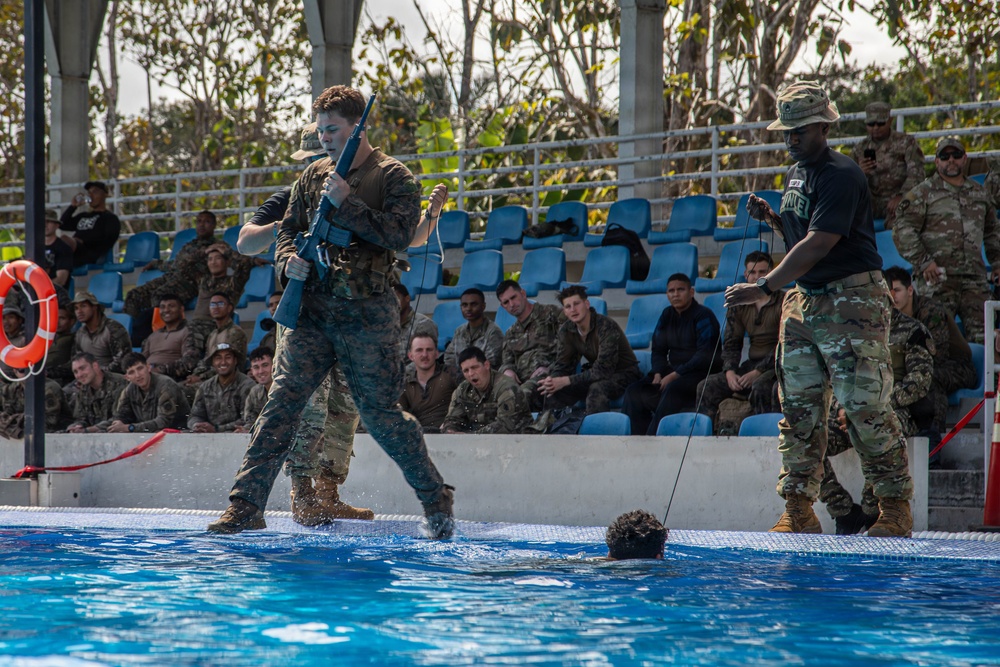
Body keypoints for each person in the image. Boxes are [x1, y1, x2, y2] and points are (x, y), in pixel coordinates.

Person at [209, 85, 454, 538]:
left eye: (333, 129)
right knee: (281, 406)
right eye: (320, 129)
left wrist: (349, 204)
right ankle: (245, 506)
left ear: (358, 127)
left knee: (379, 415)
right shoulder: (311, 176)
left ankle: (436, 499)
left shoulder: (394, 176)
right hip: (314, 311)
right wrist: (288, 262)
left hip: (367, 314)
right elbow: (289, 231)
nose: (324, 138)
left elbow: (400, 236)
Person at [724, 80, 913, 538]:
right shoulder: (796, 173)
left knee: (864, 405)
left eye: (800, 131)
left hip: (851, 301)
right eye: (786, 131)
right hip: (805, 300)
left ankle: (893, 508)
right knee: (800, 409)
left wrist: (765, 286)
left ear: (823, 127)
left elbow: (820, 242)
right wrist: (772, 218)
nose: (790, 138)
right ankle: (799, 509)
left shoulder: (842, 173)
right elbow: (802, 232)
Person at [819, 305, 937, 534]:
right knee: (810, 440)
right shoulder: (849, 333)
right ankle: (842, 509)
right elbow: (834, 380)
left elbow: (919, 381)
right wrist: (844, 409)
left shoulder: (912, 330)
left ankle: (872, 509)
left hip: (894, 410)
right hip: (850, 413)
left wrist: (873, 408)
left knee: (881, 434)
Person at [893, 136, 1000, 344]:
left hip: (974, 281)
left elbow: (992, 231)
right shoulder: (922, 193)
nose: (951, 160)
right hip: (937, 281)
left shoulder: (980, 193)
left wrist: (997, 263)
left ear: (964, 158)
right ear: (937, 161)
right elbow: (902, 229)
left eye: (956, 155)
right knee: (936, 340)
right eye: (944, 156)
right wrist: (924, 261)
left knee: (986, 339)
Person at [623, 274, 721, 435]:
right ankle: (635, 440)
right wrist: (658, 373)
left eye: (680, 290)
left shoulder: (704, 315)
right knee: (634, 391)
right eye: (671, 291)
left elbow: (705, 355)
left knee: (673, 388)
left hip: (701, 373)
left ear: (691, 292)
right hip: (674, 371)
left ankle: (654, 437)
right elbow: (658, 349)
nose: (675, 294)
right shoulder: (667, 315)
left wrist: (675, 375)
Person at [883, 266, 976, 435]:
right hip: (921, 365)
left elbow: (935, 358)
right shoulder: (891, 318)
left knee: (928, 379)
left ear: (910, 290)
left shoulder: (931, 311)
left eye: (897, 290)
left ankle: (931, 437)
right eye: (890, 291)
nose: (893, 296)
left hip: (957, 366)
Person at [697, 252, 783, 433]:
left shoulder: (783, 301)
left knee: (761, 387)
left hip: (776, 365)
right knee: (707, 386)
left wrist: (758, 371)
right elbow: (731, 342)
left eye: (763, 272)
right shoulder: (739, 303)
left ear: (772, 272)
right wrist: (730, 371)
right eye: (753, 272)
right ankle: (707, 437)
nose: (758, 277)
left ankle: (765, 436)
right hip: (751, 364)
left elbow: (784, 343)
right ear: (746, 275)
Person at [539, 285, 641, 415]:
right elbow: (563, 364)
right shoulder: (567, 330)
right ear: (564, 312)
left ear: (586, 304)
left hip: (626, 374)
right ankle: (553, 432)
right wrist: (553, 380)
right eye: (568, 306)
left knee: (596, 389)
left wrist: (566, 380)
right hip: (597, 375)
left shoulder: (605, 326)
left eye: (577, 304)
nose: (573, 310)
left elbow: (603, 370)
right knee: (553, 391)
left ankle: (596, 434)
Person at [124, 210, 218, 324]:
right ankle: (131, 332)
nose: (202, 225)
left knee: (160, 297)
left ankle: (156, 333)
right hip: (171, 278)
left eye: (207, 222)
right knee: (134, 295)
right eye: (199, 221)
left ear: (213, 225)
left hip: (190, 283)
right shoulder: (190, 245)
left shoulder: (216, 247)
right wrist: (156, 263)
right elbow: (176, 264)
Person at [849, 102, 925, 227]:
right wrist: (859, 173)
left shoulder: (906, 143)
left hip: (900, 199)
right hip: (870, 203)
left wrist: (902, 196)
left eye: (880, 123)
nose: (875, 128)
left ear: (890, 121)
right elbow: (847, 181)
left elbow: (917, 173)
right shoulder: (859, 149)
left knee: (903, 223)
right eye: (871, 124)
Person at [496, 279, 565, 410]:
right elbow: (506, 360)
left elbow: (570, 346)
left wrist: (550, 367)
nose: (511, 304)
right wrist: (508, 370)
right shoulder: (511, 332)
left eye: (513, 297)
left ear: (523, 293)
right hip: (521, 381)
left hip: (548, 377)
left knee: (518, 397)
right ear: (502, 306)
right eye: (506, 302)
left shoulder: (551, 314)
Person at [441, 346, 532, 434]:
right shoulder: (463, 390)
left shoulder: (506, 387)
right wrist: (450, 430)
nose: (471, 374)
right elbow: (452, 419)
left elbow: (505, 426)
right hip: (478, 443)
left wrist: (470, 436)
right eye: (466, 371)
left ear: (486, 365)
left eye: (474, 367)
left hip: (517, 442)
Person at [99, 352, 190, 433]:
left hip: (178, 435)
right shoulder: (129, 390)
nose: (138, 375)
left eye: (140, 368)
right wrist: (118, 422)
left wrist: (130, 428)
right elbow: (121, 416)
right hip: (149, 437)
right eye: (131, 372)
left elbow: (163, 422)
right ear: (127, 377)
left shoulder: (166, 385)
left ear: (148, 367)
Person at [187, 343, 256, 433]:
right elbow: (195, 415)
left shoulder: (248, 386)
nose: (223, 362)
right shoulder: (205, 387)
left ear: (235, 361)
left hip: (237, 437)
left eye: (228, 357)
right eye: (218, 358)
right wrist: (197, 425)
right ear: (213, 362)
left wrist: (216, 429)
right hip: (208, 437)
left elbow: (248, 420)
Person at [185, 292, 248, 387]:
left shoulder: (235, 333)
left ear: (229, 308)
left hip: (228, 381)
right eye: (212, 304)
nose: (216, 307)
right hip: (208, 379)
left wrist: (201, 377)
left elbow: (229, 365)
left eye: (220, 304)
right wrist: (194, 375)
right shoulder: (212, 334)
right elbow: (207, 361)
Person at [442, 288, 504, 382]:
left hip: (484, 382)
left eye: (474, 304)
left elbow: (489, 364)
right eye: (464, 305)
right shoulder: (459, 331)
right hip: (459, 380)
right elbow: (449, 359)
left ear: (483, 306)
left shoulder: (493, 332)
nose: (468, 309)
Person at [400, 333, 457, 432]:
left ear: (437, 353)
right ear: (410, 356)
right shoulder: (404, 382)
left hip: (447, 436)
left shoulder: (451, 374)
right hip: (417, 438)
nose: (424, 355)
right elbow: (399, 415)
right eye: (419, 350)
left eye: (429, 350)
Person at [141, 293, 203, 383]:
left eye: (171, 306)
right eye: (162, 307)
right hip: (147, 377)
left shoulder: (189, 331)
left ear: (181, 309)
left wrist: (159, 370)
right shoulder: (153, 335)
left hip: (170, 380)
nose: (166, 310)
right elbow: (141, 359)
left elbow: (189, 362)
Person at [58, 180, 121, 267]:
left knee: (64, 239)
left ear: (105, 194)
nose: (91, 195)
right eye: (89, 193)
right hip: (75, 251)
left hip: (89, 254)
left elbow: (108, 240)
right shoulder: (83, 215)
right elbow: (62, 224)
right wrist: (73, 206)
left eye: (95, 192)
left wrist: (83, 242)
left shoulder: (110, 218)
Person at [65, 353, 128, 434]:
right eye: (75, 372)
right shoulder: (83, 390)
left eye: (82, 368)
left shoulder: (119, 383)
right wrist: (77, 426)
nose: (79, 375)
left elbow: (120, 418)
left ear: (95, 366)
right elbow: (81, 418)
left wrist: (89, 430)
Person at [70, 291, 132, 373]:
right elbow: (77, 360)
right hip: (87, 378)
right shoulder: (80, 333)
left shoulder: (113, 329)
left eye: (83, 306)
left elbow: (123, 362)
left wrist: (96, 373)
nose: (79, 311)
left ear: (94, 307)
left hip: (114, 379)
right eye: (76, 308)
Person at [0, 366, 70, 438]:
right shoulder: (12, 389)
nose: (28, 373)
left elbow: (49, 422)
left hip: (55, 436)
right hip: (24, 435)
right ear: (15, 372)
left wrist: (13, 422)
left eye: (31, 369)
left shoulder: (49, 388)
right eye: (23, 370)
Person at [394, 283, 437, 361]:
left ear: (407, 298)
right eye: (389, 301)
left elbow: (426, 359)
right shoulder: (388, 326)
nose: (393, 304)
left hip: (414, 371)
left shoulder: (424, 324)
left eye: (396, 299)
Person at [241, 346, 274, 431]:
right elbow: (250, 421)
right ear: (251, 371)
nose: (260, 371)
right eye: (256, 367)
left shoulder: (285, 389)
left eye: (265, 365)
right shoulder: (255, 392)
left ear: (275, 365)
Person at [45, 306, 76, 386]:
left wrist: (49, 372)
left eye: (62, 318)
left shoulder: (74, 339)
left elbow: (72, 365)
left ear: (72, 321)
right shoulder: (46, 340)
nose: (57, 322)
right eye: (55, 318)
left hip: (62, 381)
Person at [43, 208, 73, 287]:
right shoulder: (35, 248)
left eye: (48, 221)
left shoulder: (63, 248)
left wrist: (41, 287)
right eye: (42, 222)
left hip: (55, 294)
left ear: (57, 225)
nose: (45, 225)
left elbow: (61, 280)